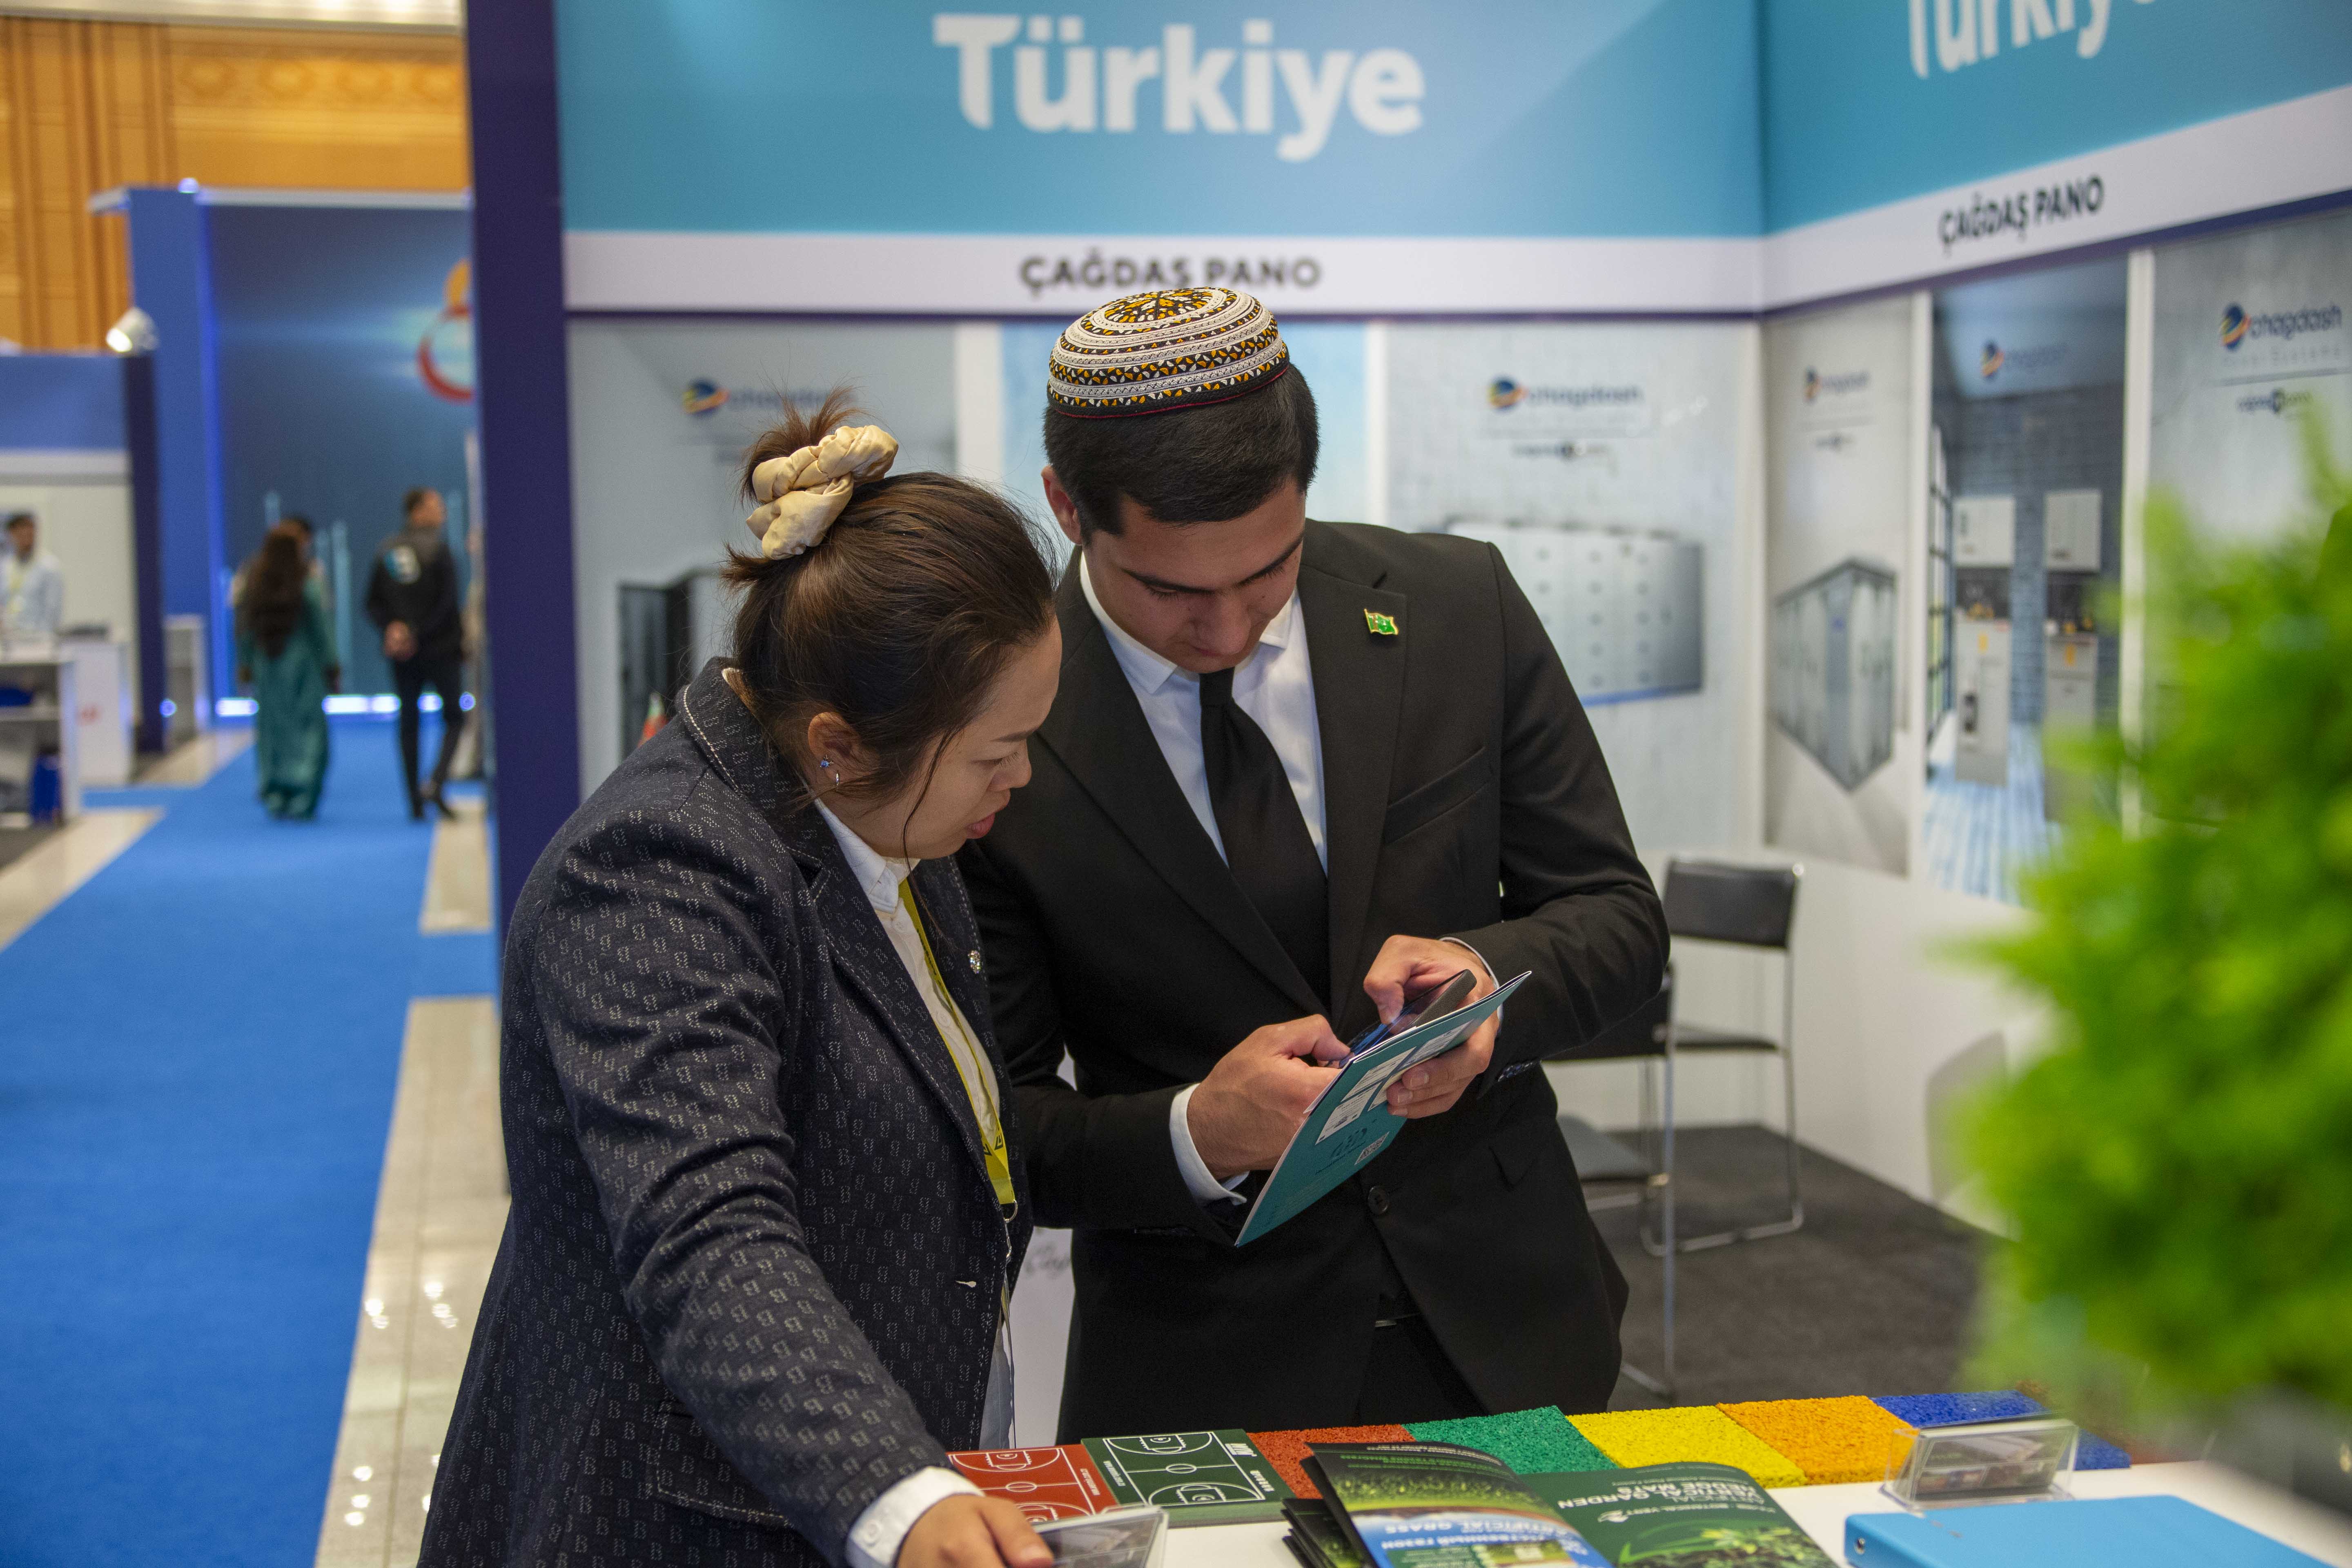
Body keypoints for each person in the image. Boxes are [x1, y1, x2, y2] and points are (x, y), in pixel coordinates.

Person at [961, 289, 1670, 1439]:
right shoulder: (1000, 725)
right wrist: (1197, 1129)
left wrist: (1484, 985)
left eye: (1268, 571)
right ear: (1064, 508)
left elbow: (1617, 916)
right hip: (1203, 1366)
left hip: (1506, 1324)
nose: (1228, 630)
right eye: (1170, 591)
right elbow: (996, 1126)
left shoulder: (1454, 607)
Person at [423, 394, 1059, 1568]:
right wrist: (894, 1492)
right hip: (676, 1524)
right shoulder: (656, 870)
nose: (1021, 780)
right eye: (998, 751)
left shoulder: (888, 822)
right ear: (838, 743)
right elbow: (708, 1232)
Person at [365, 487, 465, 820]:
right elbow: (448, 603)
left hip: (403, 654)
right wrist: (417, 632)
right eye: (436, 506)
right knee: (455, 717)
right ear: (417, 510)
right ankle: (436, 782)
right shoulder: (439, 550)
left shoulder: (387, 549)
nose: (442, 513)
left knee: (409, 721)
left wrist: (395, 631)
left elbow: (372, 602)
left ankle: (414, 799)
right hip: (440, 649)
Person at [235, 519, 339, 820]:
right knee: (309, 730)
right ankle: (304, 793)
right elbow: (320, 627)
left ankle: (275, 792)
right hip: (304, 666)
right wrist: (332, 664)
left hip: (266, 666)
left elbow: (245, 630)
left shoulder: (255, 584)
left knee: (272, 731)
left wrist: (245, 664)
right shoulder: (307, 582)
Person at [2, 511, 64, 641]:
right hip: (8, 641)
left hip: (39, 641)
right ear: (11, 534)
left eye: (29, 529)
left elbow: (53, 612)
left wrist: (43, 642)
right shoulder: (5, 566)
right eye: (20, 530)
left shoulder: (49, 567)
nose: (25, 534)